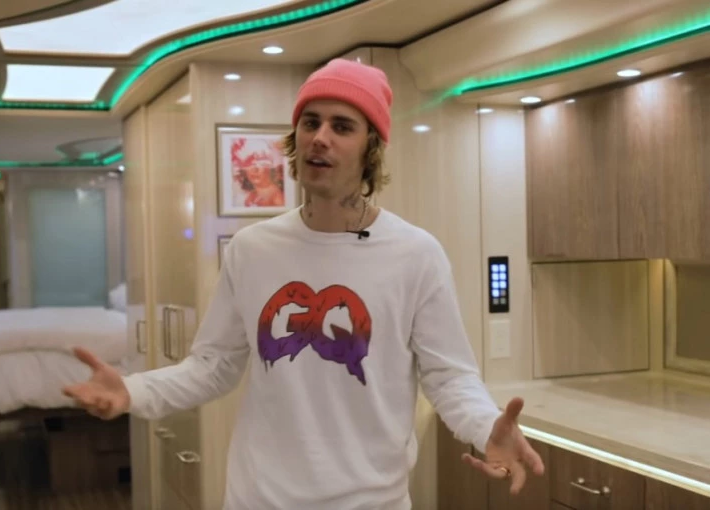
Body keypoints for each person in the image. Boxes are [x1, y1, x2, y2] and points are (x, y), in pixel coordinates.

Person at [64, 58, 544, 509]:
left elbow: (449, 376)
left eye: (342, 126)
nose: (320, 138)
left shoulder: (416, 254)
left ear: (371, 148)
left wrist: (485, 426)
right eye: (310, 122)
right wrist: (133, 391)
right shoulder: (252, 249)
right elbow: (213, 366)